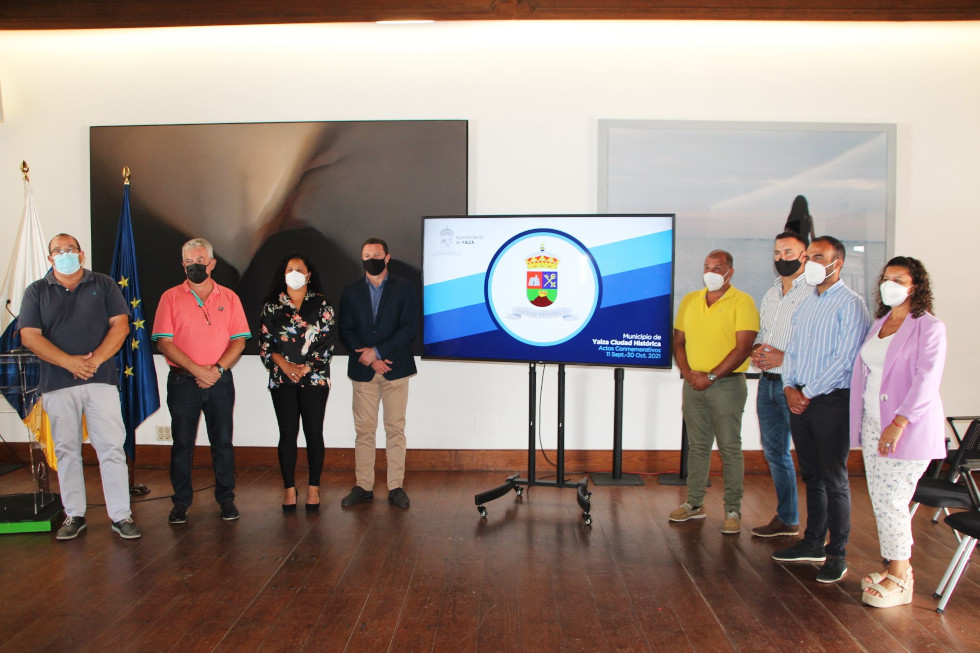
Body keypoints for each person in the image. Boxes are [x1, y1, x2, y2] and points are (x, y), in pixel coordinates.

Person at [19, 233, 141, 540]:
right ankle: (74, 514)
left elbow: (120, 326)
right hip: (57, 382)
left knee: (111, 447)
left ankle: (121, 515)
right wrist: (69, 363)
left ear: (81, 254)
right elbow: (29, 336)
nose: (65, 254)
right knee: (66, 450)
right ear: (50, 258)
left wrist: (94, 360)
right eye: (58, 251)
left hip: (100, 379)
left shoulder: (104, 284)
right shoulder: (36, 291)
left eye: (70, 249)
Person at [849, 256, 946, 607]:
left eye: (899, 280)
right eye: (886, 279)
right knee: (882, 500)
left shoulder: (929, 327)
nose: (890, 285)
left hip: (905, 427)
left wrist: (899, 422)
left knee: (892, 500)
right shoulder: (881, 323)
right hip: (875, 422)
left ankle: (901, 578)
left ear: (915, 286)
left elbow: (926, 380)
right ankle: (893, 567)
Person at [773, 235, 870, 583]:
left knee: (834, 479)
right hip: (799, 398)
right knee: (812, 476)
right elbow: (793, 350)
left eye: (818, 257)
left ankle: (836, 553)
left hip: (830, 401)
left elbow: (846, 361)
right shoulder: (806, 302)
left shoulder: (851, 304)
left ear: (836, 263)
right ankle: (813, 542)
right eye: (809, 257)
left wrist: (807, 392)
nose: (810, 263)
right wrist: (788, 387)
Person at [151, 238, 250, 524]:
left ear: (212, 263)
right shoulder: (170, 297)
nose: (195, 266)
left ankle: (226, 500)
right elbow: (164, 343)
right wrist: (198, 370)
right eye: (189, 262)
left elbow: (239, 341)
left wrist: (216, 371)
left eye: (200, 261)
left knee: (223, 443)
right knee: (182, 443)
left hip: (220, 381)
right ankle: (181, 502)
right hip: (183, 382)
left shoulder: (229, 298)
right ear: (183, 265)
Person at [670, 250, 759, 534]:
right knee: (697, 447)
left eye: (717, 268)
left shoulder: (742, 302)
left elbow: (743, 348)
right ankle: (694, 503)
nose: (710, 273)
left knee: (729, 448)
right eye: (707, 267)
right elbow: (678, 341)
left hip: (726, 385)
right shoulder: (690, 300)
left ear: (730, 272)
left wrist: (711, 376)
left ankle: (733, 509)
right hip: (693, 384)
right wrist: (688, 374)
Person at [337, 237, 418, 509]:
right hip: (364, 371)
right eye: (367, 255)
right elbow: (345, 330)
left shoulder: (404, 288)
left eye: (376, 254)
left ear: (387, 258)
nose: (371, 259)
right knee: (364, 431)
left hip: (396, 368)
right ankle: (364, 486)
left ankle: (396, 487)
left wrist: (379, 352)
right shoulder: (350, 291)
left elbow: (408, 329)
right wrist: (371, 359)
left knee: (395, 429)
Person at [259, 253, 335, 513]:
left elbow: (327, 342)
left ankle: (314, 488)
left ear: (308, 274)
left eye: (299, 269)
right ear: (284, 274)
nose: (294, 273)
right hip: (282, 378)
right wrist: (286, 366)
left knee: (314, 432)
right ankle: (289, 488)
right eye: (290, 269)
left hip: (314, 378)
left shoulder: (322, 304)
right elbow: (265, 343)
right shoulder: (272, 305)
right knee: (287, 433)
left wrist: (305, 368)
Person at [750, 231, 812, 538]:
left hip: (798, 386)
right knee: (775, 453)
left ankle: (818, 532)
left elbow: (819, 346)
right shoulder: (771, 293)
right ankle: (787, 519)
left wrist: (784, 358)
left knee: (811, 458)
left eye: (788, 252)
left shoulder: (814, 294)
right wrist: (757, 350)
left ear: (804, 256)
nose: (781, 258)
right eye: (777, 253)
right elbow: (765, 333)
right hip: (768, 385)